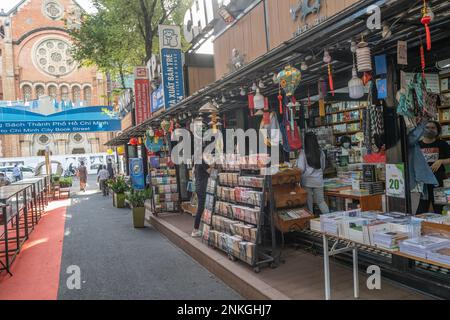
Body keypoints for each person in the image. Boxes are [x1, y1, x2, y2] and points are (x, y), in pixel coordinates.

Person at [417, 120, 450, 214]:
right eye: (427, 127)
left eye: (433, 128)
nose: (430, 130)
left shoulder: (442, 144)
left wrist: (441, 161)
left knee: (441, 209)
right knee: (421, 209)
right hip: (423, 182)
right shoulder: (417, 145)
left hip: (439, 180)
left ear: (437, 130)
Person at [297, 132, 330, 215]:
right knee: (321, 202)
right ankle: (330, 218)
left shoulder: (303, 153)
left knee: (309, 204)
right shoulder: (321, 153)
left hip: (307, 181)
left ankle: (310, 222)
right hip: (318, 181)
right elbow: (322, 167)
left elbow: (301, 169)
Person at [191, 158, 210, 237]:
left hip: (198, 187)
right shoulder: (202, 160)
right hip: (202, 187)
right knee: (201, 208)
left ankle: (199, 229)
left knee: (202, 207)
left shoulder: (196, 162)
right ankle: (195, 230)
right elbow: (210, 171)